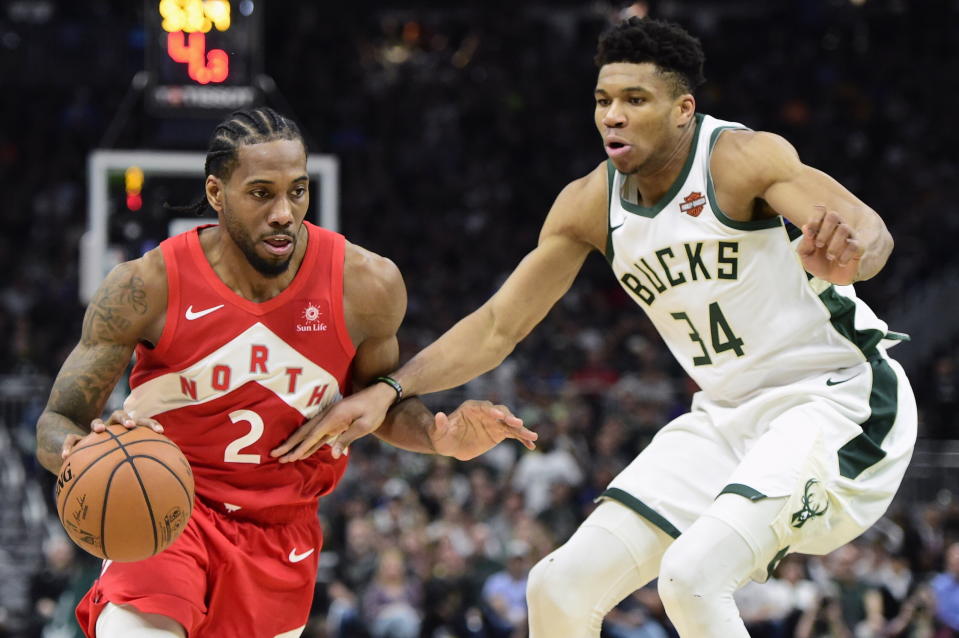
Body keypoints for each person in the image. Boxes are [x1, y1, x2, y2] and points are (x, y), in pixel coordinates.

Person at [275, 16, 919, 637]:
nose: (613, 114)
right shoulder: (587, 204)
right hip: (727, 416)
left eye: (635, 99)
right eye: (604, 99)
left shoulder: (740, 159)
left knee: (692, 579)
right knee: (558, 587)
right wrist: (388, 390)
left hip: (837, 398)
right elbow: (498, 326)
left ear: (682, 110)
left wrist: (849, 253)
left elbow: (869, 233)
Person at [34, 106, 537, 638]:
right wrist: (77, 453)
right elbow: (58, 419)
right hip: (169, 513)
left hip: (281, 536)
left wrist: (440, 436)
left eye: (297, 191)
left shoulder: (366, 285)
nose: (283, 212)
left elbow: (377, 409)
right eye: (260, 193)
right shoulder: (146, 286)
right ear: (215, 193)